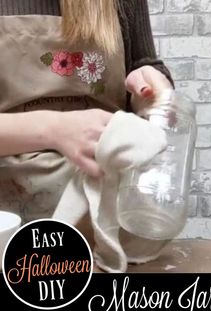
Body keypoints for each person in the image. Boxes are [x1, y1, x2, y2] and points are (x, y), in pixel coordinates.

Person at [0, 0, 173, 223]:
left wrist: (150, 93)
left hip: (106, 222)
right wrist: (54, 129)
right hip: (7, 226)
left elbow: (143, 69)